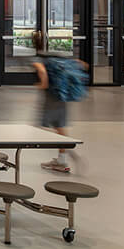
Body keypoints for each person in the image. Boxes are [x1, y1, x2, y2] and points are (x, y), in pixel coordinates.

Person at [31, 30, 86, 173]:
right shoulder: (55, 55)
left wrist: (42, 85)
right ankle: (62, 158)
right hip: (62, 96)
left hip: (51, 98)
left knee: (39, 127)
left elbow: (42, 73)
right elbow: (81, 64)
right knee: (60, 127)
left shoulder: (37, 59)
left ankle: (67, 154)